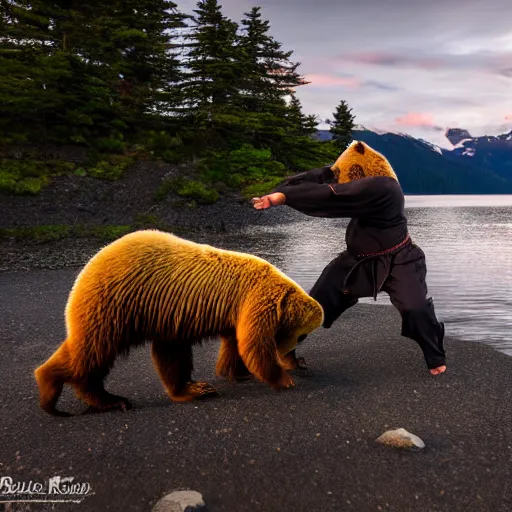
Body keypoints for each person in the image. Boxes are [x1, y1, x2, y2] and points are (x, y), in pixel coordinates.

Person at [251, 140, 446, 376]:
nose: (339, 181)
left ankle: (435, 357)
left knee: (415, 308)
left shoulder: (385, 188)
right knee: (314, 304)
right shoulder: (364, 183)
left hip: (400, 260)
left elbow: (333, 195)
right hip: (355, 261)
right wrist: (319, 175)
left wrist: (281, 198)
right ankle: (284, 351)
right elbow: (323, 180)